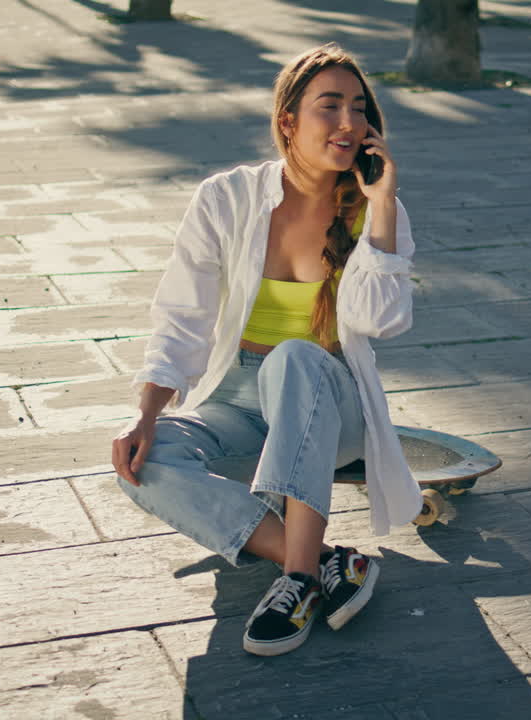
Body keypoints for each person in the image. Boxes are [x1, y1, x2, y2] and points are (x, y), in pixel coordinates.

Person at [110, 43, 421, 657]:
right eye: (328, 106)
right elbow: (183, 314)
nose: (348, 122)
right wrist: (145, 413)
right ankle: (327, 561)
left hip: (332, 404)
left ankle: (297, 583)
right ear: (288, 120)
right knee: (145, 463)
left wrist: (381, 204)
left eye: (359, 108)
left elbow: (383, 321)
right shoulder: (227, 198)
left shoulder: (374, 210)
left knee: (295, 357)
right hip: (237, 398)